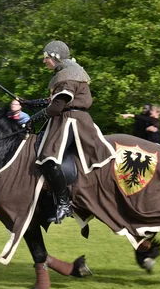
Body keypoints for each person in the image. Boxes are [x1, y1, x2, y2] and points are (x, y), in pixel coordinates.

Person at [22, 40, 116, 224]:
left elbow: (56, 107)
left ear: (55, 57)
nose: (44, 61)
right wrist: (30, 103)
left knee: (49, 158)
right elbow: (55, 101)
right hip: (65, 118)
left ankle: (64, 204)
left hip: (71, 121)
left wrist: (33, 119)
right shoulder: (67, 72)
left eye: (46, 57)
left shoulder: (68, 75)